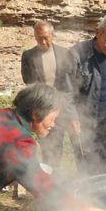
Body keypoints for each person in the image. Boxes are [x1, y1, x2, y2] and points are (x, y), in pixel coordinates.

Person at [65, 14, 106, 173]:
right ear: (98, 33)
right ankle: (89, 198)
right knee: (89, 169)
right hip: (86, 123)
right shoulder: (78, 54)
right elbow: (66, 91)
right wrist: (72, 117)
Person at [20, 21, 79, 168]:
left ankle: (62, 178)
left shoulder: (65, 53)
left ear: (52, 35)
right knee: (47, 145)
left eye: (46, 37)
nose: (43, 41)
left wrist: (72, 114)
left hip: (63, 107)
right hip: (43, 108)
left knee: (65, 143)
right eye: (39, 38)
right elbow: (28, 81)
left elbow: (70, 85)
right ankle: (49, 178)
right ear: (35, 37)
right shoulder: (28, 56)